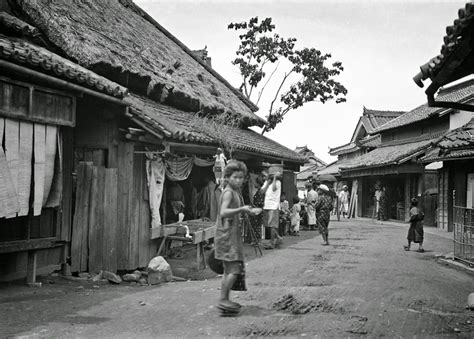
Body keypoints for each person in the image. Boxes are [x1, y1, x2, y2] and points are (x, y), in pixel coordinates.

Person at [214, 160, 257, 312]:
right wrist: (242, 210)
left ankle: (225, 299)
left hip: (230, 234)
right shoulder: (228, 193)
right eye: (235, 177)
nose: (238, 180)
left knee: (230, 269)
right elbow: (223, 212)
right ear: (227, 177)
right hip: (227, 236)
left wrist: (247, 211)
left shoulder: (234, 192)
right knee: (233, 270)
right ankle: (223, 300)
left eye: (241, 177)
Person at [263, 173, 283, 249]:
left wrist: (274, 179)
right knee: (268, 225)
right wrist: (267, 183)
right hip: (267, 205)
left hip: (274, 206)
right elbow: (262, 191)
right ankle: (278, 237)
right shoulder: (267, 182)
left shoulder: (278, 182)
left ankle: (272, 243)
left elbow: (274, 188)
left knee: (272, 225)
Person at [249, 171, 268, 241]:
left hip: (259, 210)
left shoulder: (260, 191)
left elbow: (260, 203)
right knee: (258, 225)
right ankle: (257, 239)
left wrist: (254, 206)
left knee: (257, 225)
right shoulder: (261, 191)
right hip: (260, 210)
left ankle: (257, 240)